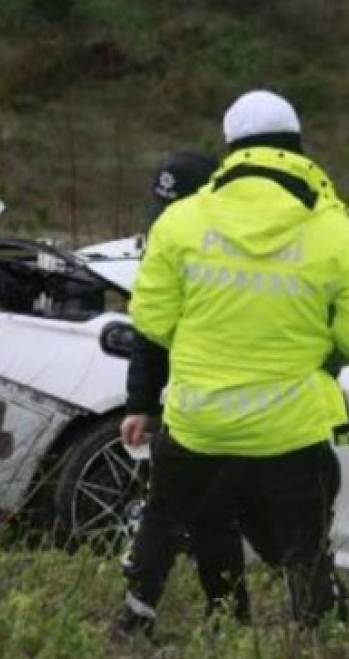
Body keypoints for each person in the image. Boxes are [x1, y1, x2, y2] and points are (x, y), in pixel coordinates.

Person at [119, 89, 349, 634]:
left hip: (198, 417)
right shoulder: (340, 233)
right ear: (297, 147)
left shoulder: (180, 221)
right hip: (290, 426)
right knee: (304, 545)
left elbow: (151, 320)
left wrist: (207, 344)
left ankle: (135, 620)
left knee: (163, 515)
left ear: (231, 149)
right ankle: (318, 642)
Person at [122, 150, 260, 625]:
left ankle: (225, 614)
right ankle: (213, 614)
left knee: (205, 510)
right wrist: (140, 403)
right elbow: (149, 330)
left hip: (237, 405)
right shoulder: (171, 242)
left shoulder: (242, 249)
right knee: (186, 508)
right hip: (192, 404)